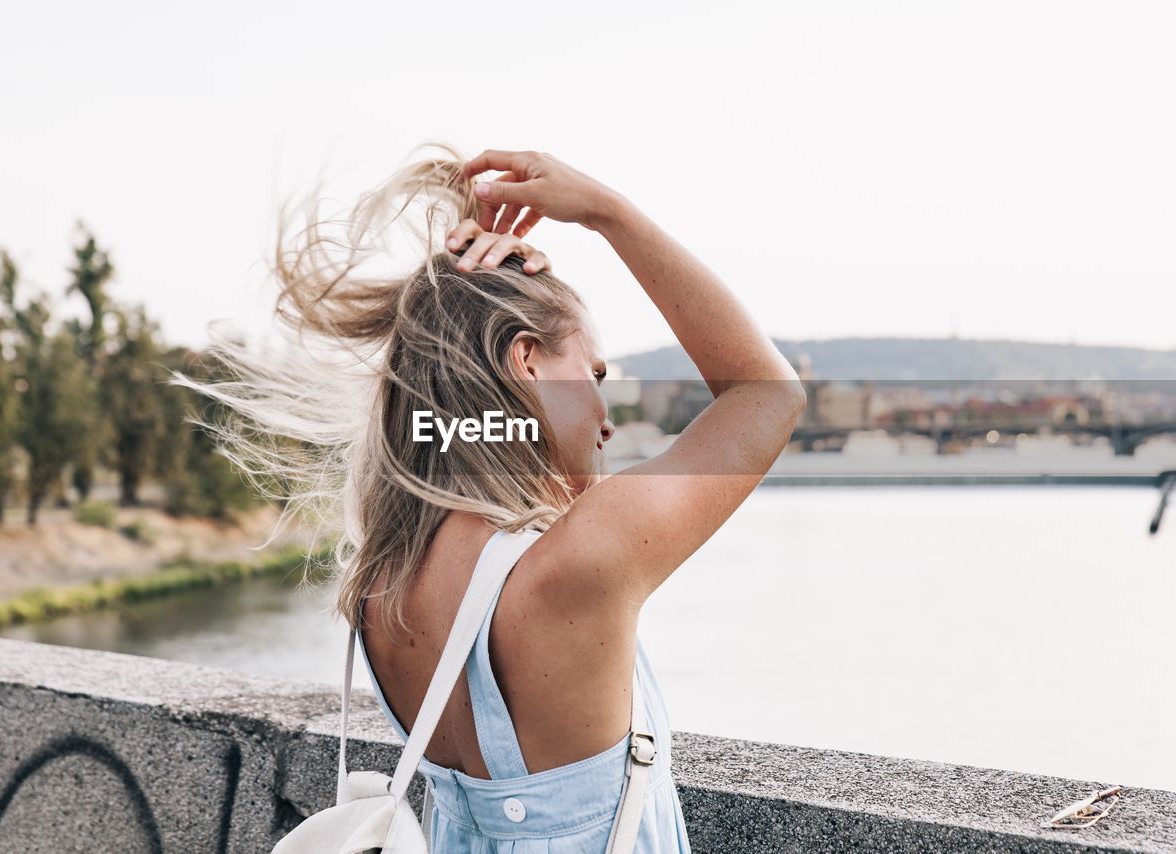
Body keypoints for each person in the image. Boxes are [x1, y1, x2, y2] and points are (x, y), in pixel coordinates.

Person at [187, 144, 806, 851]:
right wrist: (609, 212)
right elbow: (768, 392)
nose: (606, 413)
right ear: (527, 360)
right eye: (593, 372)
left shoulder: (382, 583)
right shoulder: (576, 563)